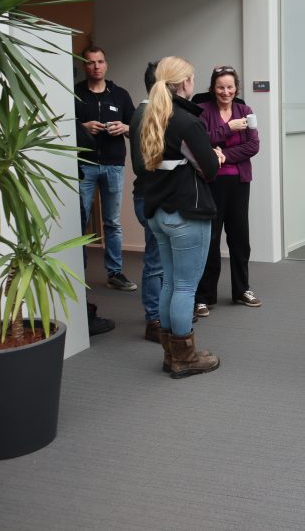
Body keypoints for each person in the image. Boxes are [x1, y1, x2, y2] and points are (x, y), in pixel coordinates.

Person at [132, 56, 224, 379]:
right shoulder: (186, 122)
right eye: (192, 79)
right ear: (184, 83)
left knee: (170, 283)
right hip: (186, 214)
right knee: (185, 286)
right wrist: (216, 156)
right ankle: (185, 357)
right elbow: (210, 170)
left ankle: (171, 354)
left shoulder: (146, 116)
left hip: (158, 213)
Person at [194, 66, 262, 316]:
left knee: (239, 238)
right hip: (211, 184)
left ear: (237, 88)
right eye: (221, 87)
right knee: (210, 240)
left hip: (239, 184)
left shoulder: (246, 111)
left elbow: (253, 146)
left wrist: (224, 155)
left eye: (230, 87)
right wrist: (228, 129)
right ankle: (203, 296)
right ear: (213, 88)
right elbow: (200, 141)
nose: (226, 91)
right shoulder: (202, 111)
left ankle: (242, 289)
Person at [74, 45, 137, 296]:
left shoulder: (119, 94)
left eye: (100, 61)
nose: (96, 66)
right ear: (84, 66)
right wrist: (83, 127)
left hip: (113, 164)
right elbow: (63, 127)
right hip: (84, 164)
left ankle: (115, 273)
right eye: (91, 63)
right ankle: (78, 272)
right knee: (79, 221)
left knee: (112, 222)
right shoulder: (75, 93)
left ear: (106, 64)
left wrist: (124, 128)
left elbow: (137, 128)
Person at [130, 61, 166, 342]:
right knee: (155, 262)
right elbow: (142, 166)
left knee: (160, 260)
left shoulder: (152, 113)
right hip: (149, 196)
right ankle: (153, 319)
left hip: (154, 195)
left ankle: (159, 314)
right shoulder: (144, 115)